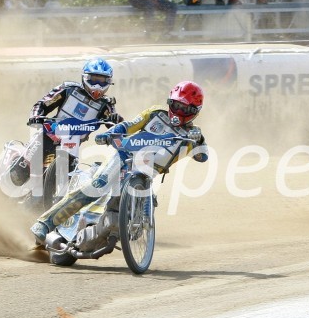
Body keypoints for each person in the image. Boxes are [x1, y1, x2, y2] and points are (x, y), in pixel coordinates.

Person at [30, 80, 207, 243]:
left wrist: (199, 140)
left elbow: (202, 156)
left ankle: (121, 224)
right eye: (175, 105)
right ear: (169, 102)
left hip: (147, 172)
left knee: (149, 198)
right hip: (124, 156)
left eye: (184, 109)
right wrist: (109, 133)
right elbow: (128, 125)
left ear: (195, 111)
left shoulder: (192, 134)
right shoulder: (155, 113)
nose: (178, 111)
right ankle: (45, 223)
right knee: (95, 187)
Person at [19, 58, 122, 191]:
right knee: (22, 171)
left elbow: (114, 125)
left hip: (72, 147)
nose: (97, 85)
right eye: (94, 79)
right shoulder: (68, 89)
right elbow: (43, 104)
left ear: (108, 81)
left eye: (102, 80)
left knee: (67, 179)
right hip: (49, 135)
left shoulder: (106, 104)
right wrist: (35, 117)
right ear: (85, 77)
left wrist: (116, 121)